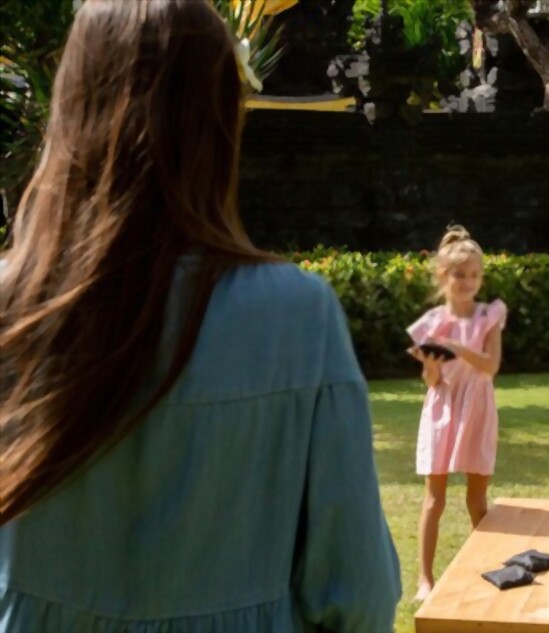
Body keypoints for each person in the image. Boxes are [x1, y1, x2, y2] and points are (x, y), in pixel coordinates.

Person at [0, 2, 400, 632]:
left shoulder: (13, 311)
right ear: (219, 119)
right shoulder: (295, 316)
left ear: (71, 105)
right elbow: (356, 591)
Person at [406, 225, 507, 602]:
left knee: (477, 499)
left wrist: (455, 346)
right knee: (434, 499)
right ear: (442, 276)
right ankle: (425, 579)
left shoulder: (491, 315)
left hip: (478, 406)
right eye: (459, 274)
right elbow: (432, 381)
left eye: (474, 275)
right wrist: (431, 361)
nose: (467, 281)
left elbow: (491, 366)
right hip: (442, 408)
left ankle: (495, 568)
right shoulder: (430, 323)